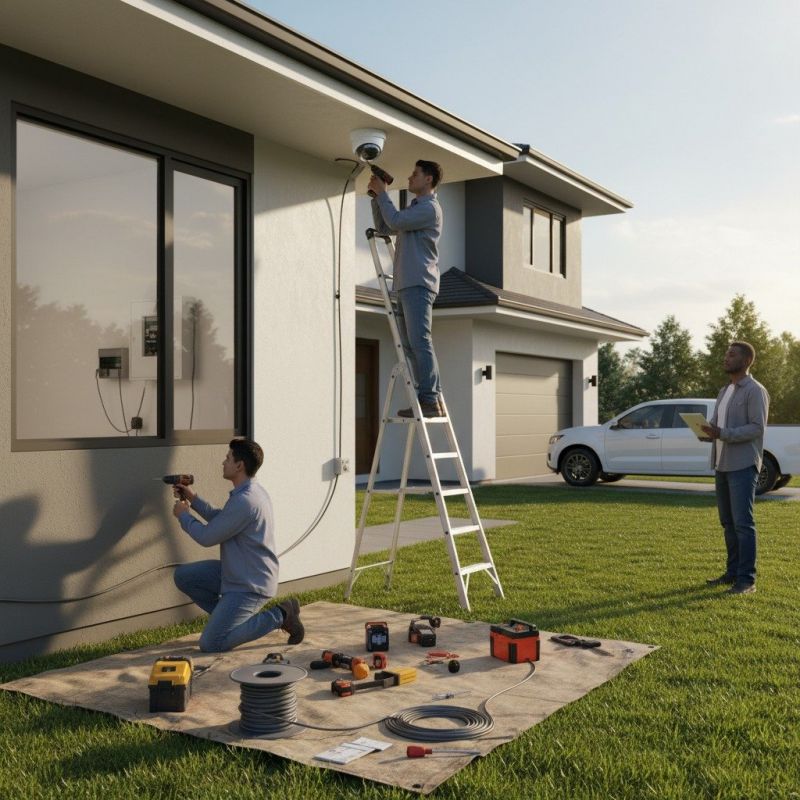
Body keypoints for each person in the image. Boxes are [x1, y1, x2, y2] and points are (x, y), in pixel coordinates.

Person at [171, 437, 304, 651]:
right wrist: (193, 500)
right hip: (235, 574)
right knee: (184, 576)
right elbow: (222, 519)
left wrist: (183, 516)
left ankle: (281, 614)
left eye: (227, 458)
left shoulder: (246, 501)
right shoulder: (249, 493)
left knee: (211, 643)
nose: (223, 463)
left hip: (250, 586)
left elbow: (207, 537)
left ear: (239, 465)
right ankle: (227, 621)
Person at [369, 159, 444, 418]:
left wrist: (383, 193)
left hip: (418, 283)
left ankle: (430, 400)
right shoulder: (414, 209)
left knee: (421, 342)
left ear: (429, 180)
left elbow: (396, 220)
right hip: (405, 283)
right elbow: (385, 226)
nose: (410, 178)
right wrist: (375, 197)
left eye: (415, 174)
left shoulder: (429, 209)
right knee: (411, 346)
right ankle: (431, 397)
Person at [702, 342, 769, 595]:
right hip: (721, 464)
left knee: (743, 524)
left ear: (746, 360)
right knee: (728, 523)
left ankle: (747, 580)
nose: (725, 358)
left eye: (732, 355)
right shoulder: (724, 391)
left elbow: (756, 428)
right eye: (726, 354)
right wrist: (707, 432)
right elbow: (717, 425)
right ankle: (732, 573)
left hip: (743, 465)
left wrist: (723, 433)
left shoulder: (755, 390)